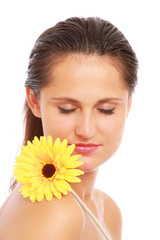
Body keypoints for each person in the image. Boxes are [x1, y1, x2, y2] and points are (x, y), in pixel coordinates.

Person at [0, 17, 138, 240]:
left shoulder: (107, 210)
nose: (86, 129)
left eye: (106, 109)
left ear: (128, 105)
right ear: (34, 102)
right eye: (67, 109)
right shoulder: (54, 210)